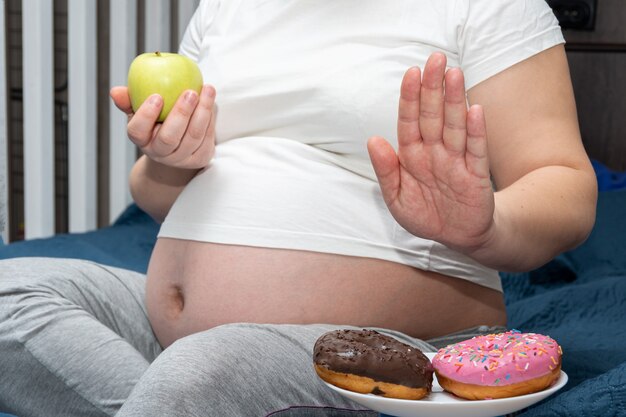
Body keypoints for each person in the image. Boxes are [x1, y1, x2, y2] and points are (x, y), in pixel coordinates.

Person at [0, 1, 597, 416]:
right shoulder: (226, 8)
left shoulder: (485, 5)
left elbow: (566, 187)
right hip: (176, 336)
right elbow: (156, 194)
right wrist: (171, 158)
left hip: (393, 348)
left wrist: (484, 224)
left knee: (204, 371)